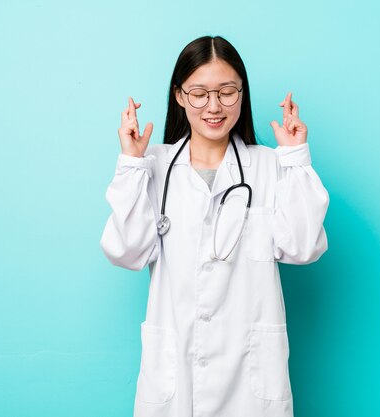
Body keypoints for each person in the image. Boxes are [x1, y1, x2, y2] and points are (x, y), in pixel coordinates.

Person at [100, 35, 329, 417]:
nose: (214, 106)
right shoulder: (153, 164)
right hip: (176, 376)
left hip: (250, 377)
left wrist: (294, 157)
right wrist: (130, 165)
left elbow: (303, 247)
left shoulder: (270, 165)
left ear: (242, 93)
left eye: (226, 92)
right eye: (200, 93)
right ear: (179, 95)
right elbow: (127, 252)